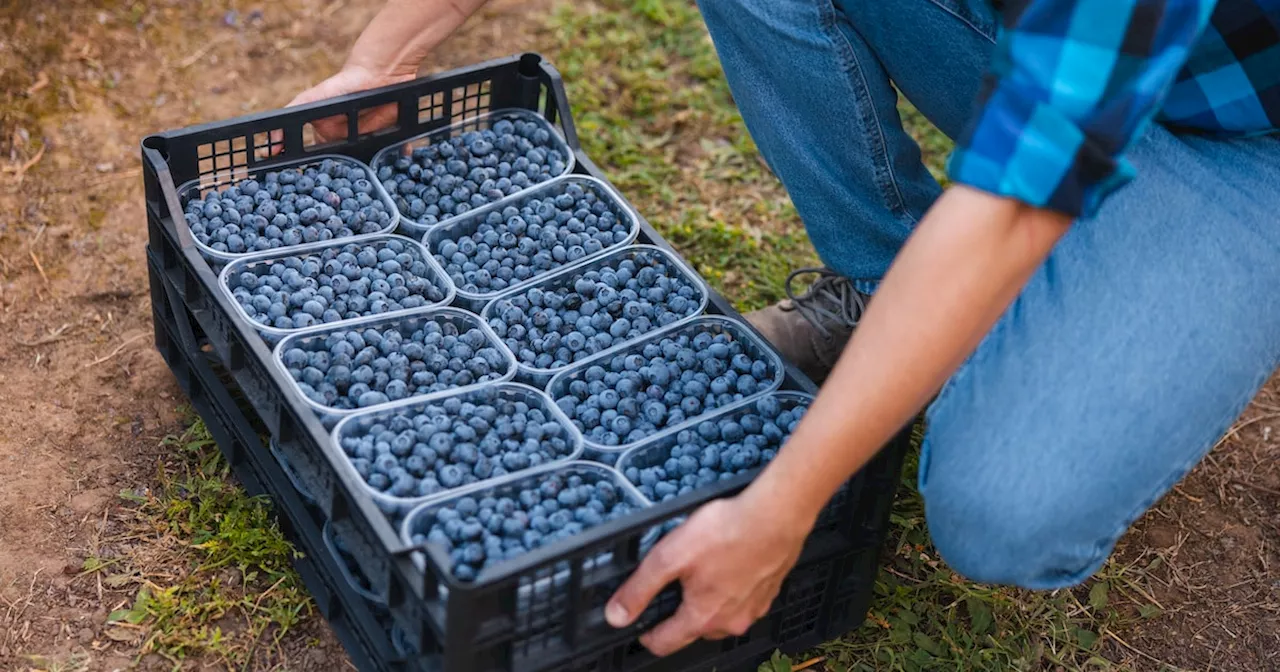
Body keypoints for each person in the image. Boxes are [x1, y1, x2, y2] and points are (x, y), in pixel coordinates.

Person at [291, 0, 1280, 658]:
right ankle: (888, 288)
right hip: (1044, 45)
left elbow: (1023, 194)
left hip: (1241, 138)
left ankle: (1072, 302)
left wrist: (778, 508)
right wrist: (383, 61)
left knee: (1003, 505)